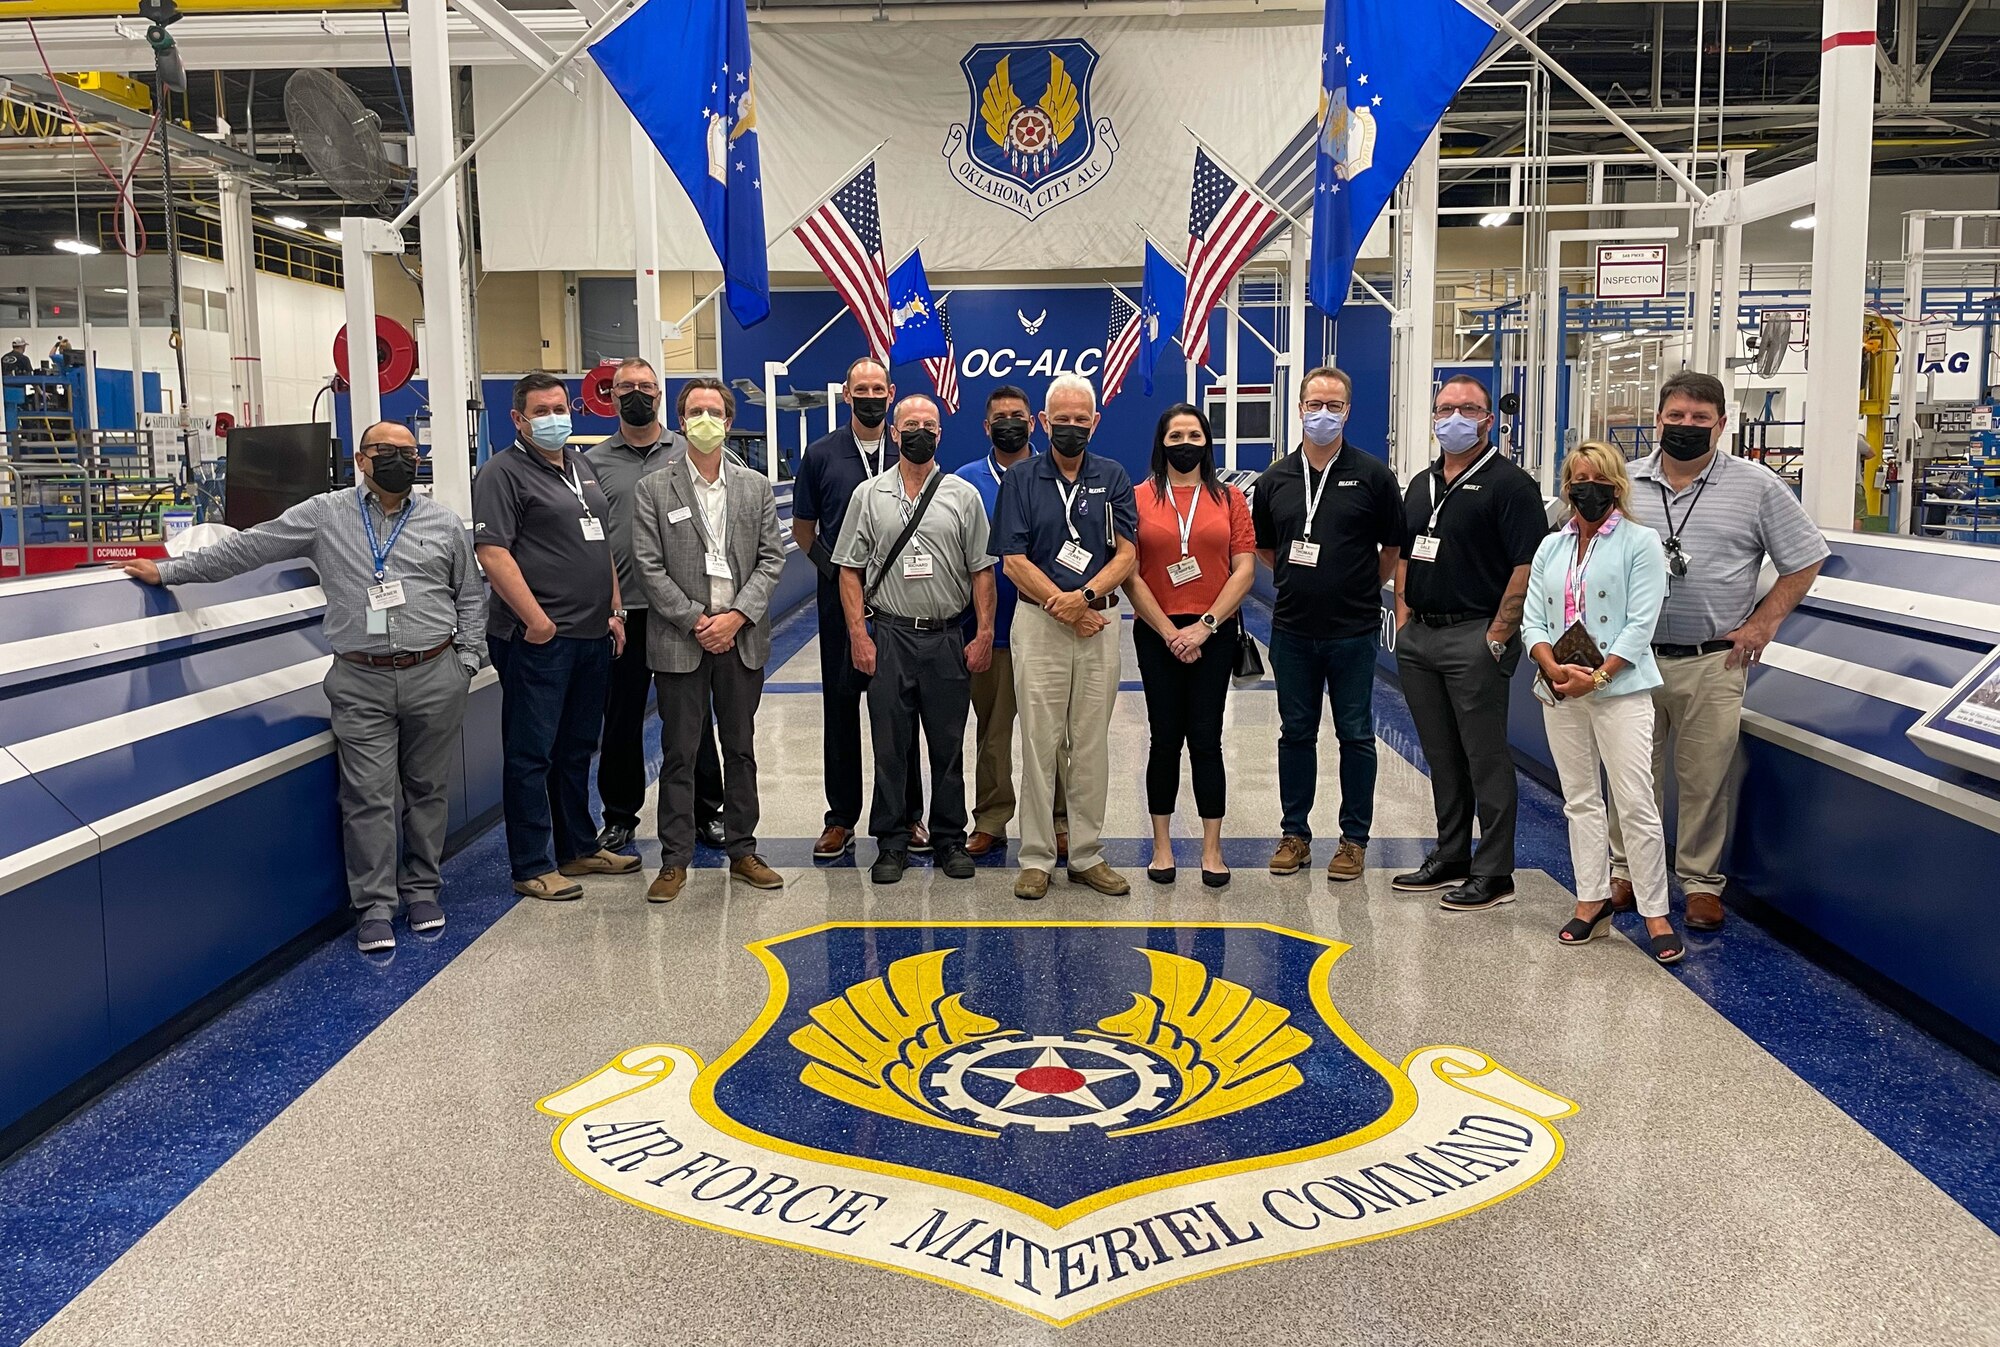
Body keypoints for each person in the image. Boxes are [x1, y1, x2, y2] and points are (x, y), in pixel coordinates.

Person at [118, 422, 482, 952]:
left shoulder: (442, 521)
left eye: (410, 452)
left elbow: (469, 594)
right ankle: (376, 906)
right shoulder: (324, 515)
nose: (401, 460)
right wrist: (172, 571)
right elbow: (249, 548)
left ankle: (423, 890)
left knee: (428, 790)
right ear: (361, 459)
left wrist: (467, 661)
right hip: (361, 678)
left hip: (434, 672)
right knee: (368, 797)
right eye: (387, 451)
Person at [1606, 371, 1829, 931]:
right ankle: (1626, 870)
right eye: (1675, 417)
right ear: (1657, 420)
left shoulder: (1758, 487)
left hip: (1713, 660)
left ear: (1722, 425)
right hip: (1631, 659)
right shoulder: (1623, 484)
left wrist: (1762, 625)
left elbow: (1805, 559)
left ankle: (1701, 883)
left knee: (1706, 777)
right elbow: (1575, 550)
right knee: (1632, 773)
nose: (1686, 427)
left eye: (1700, 419)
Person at [473, 372, 641, 901]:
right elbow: (493, 553)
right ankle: (532, 863)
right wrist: (537, 621)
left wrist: (614, 610)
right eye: (540, 411)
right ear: (518, 419)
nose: (552, 418)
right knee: (531, 753)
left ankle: (577, 847)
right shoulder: (502, 473)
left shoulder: (580, 464)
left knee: (576, 749)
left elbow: (601, 542)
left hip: (592, 634)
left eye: (558, 407)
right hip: (539, 641)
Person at [1391, 374, 1548, 912]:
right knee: (1441, 754)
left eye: (1467, 409)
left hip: (1475, 634)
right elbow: (1407, 555)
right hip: (1421, 636)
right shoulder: (1421, 483)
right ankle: (1451, 853)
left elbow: (1526, 566)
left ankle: (1495, 870)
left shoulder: (1511, 484)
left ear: (1488, 419)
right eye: (1444, 409)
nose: (1453, 418)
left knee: (1484, 757)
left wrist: (1497, 636)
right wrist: (1405, 618)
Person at [1523, 441, 1683, 964]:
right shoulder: (1552, 546)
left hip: (1619, 690)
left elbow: (1641, 624)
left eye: (1596, 479)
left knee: (1635, 800)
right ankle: (1591, 899)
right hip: (1561, 688)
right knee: (1580, 799)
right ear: (1566, 487)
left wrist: (1598, 675)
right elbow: (1533, 618)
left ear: (1616, 487)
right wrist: (1550, 665)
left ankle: (1655, 910)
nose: (1585, 489)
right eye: (1576, 479)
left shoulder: (1641, 542)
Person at [833, 394, 997, 884]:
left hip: (946, 637)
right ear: (894, 433)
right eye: (911, 425)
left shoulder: (962, 495)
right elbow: (848, 570)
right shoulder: (868, 495)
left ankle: (949, 838)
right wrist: (859, 635)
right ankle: (892, 840)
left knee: (947, 744)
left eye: (930, 425)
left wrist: (984, 632)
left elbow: (982, 572)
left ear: (940, 435)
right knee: (890, 743)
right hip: (889, 635)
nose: (920, 432)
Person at [1252, 366, 1405, 883]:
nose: (1323, 413)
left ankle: (1353, 840)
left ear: (1348, 410)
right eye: (1314, 403)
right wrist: (1305, 579)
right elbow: (1267, 547)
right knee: (1295, 734)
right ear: (1299, 408)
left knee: (1356, 734)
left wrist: (1359, 584)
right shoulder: (1274, 478)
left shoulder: (1372, 474)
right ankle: (1294, 833)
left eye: (1334, 405)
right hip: (1292, 629)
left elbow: (1391, 547)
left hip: (1354, 631)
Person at [994, 372, 1138, 900]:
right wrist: (1066, 607)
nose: (1072, 428)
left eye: (1082, 420)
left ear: (1095, 423)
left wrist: (1086, 598)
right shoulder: (1021, 479)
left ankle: (1086, 854)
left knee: (1091, 743)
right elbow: (1012, 560)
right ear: (1043, 422)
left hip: (1098, 622)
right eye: (1063, 420)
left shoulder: (1114, 476)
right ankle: (1036, 857)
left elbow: (1127, 553)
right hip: (1039, 624)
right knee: (1039, 742)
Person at [585, 358, 727, 855]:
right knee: (620, 719)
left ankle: (708, 812)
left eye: (647, 387)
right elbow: (591, 540)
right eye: (628, 388)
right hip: (626, 613)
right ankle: (620, 815)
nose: (638, 395)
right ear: (612, 395)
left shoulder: (687, 450)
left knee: (692, 719)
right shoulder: (593, 463)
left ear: (662, 397)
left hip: (685, 610)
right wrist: (608, 604)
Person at [792, 357, 925, 860]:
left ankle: (908, 814)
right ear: (847, 395)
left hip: (899, 603)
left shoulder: (909, 452)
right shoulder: (822, 455)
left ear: (890, 394)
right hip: (840, 602)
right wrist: (839, 573)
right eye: (859, 388)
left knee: (901, 711)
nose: (869, 395)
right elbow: (805, 529)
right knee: (841, 709)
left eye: (877, 388)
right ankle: (841, 818)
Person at [1123, 404, 1254, 888]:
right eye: (1175, 434)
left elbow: (1244, 568)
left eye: (1193, 433)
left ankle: (1212, 849)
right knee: (1163, 739)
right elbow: (1129, 571)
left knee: (1205, 739)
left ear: (1207, 441)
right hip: (1156, 631)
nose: (1185, 442)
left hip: (1214, 630)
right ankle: (1161, 846)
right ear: (1161, 442)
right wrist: (1169, 632)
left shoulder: (1231, 498)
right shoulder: (1136, 498)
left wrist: (1204, 626)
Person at [953, 385, 1068, 860]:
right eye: (1000, 416)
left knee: (1054, 733)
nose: (1009, 423)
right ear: (986, 426)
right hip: (990, 631)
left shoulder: (1057, 473)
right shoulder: (963, 481)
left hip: (1048, 625)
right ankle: (992, 820)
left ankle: (1058, 821)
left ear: (1034, 420)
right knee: (993, 733)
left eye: (1017, 415)